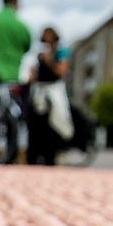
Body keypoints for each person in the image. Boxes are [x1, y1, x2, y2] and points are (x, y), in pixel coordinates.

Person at [27, 26, 73, 166]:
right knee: (36, 124)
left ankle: (53, 155)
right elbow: (33, 75)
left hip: (53, 91)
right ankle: (34, 157)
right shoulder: (39, 53)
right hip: (39, 91)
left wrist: (49, 60)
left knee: (56, 121)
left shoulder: (61, 52)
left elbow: (61, 71)